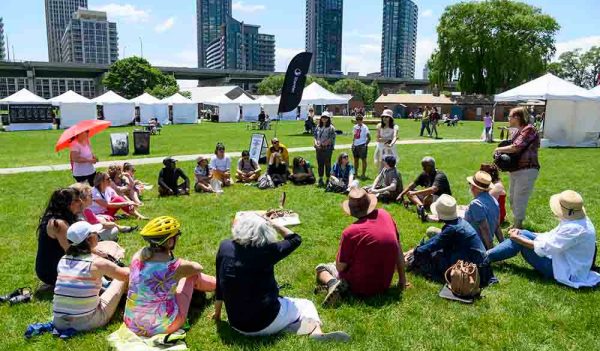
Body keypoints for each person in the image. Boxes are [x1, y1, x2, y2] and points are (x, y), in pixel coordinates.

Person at [214, 212, 349, 341]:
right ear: (265, 233)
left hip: (237, 324)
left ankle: (287, 327)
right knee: (306, 305)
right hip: (265, 321)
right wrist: (273, 224)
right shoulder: (268, 251)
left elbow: (219, 285)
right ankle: (316, 332)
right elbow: (295, 238)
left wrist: (218, 315)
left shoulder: (225, 246)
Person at [487, 190, 600, 288]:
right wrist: (526, 233)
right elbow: (552, 236)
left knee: (520, 240)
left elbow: (544, 248)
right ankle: (486, 256)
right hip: (565, 262)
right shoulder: (581, 221)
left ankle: (483, 258)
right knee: (523, 233)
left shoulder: (574, 228)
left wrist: (517, 238)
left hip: (565, 272)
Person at [124, 216, 217, 336]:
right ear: (169, 241)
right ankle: (220, 285)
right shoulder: (174, 266)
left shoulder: (137, 257)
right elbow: (198, 267)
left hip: (132, 324)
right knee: (193, 276)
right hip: (161, 327)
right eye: (177, 236)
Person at [315, 188, 407, 305]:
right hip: (384, 284)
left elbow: (340, 267)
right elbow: (398, 248)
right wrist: (402, 281)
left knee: (321, 268)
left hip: (357, 288)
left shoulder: (351, 232)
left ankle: (333, 284)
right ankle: (335, 287)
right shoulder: (385, 215)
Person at [52, 221, 129, 332]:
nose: (98, 235)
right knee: (120, 281)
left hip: (59, 322)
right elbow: (125, 276)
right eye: (95, 233)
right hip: (86, 323)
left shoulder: (63, 260)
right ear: (89, 239)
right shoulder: (97, 263)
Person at [404, 195, 494, 285]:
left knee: (428, 257)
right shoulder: (459, 222)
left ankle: (408, 264)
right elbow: (436, 240)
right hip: (483, 268)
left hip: (473, 271)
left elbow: (431, 246)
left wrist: (415, 253)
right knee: (434, 252)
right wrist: (415, 249)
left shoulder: (451, 229)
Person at [494, 107, 540, 229]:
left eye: (510, 116)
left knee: (520, 198)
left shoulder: (529, 129)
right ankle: (516, 223)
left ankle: (518, 226)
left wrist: (498, 149)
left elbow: (516, 147)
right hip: (516, 170)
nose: (508, 118)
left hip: (527, 169)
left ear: (517, 117)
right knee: (513, 198)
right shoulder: (517, 131)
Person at [35, 188, 83, 286]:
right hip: (51, 272)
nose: (81, 202)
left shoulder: (61, 218)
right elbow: (71, 251)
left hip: (58, 265)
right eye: (77, 200)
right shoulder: (59, 224)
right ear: (67, 204)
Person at [71, 182, 137, 242]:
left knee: (103, 220)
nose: (92, 197)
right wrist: (115, 225)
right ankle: (104, 239)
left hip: (78, 238)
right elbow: (102, 225)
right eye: (90, 195)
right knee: (114, 229)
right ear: (84, 198)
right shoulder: (86, 211)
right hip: (88, 239)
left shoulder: (74, 210)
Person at [397, 156, 452, 222]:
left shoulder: (440, 176)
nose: (423, 168)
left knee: (427, 197)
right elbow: (412, 185)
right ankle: (421, 207)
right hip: (430, 197)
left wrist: (415, 193)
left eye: (424, 166)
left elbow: (433, 189)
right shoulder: (424, 174)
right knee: (409, 193)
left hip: (442, 199)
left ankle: (422, 208)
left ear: (431, 166)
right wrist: (401, 194)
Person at [464, 171, 503, 250]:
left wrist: (490, 253)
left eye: (470, 184)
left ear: (474, 187)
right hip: (480, 244)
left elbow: (485, 229)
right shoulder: (494, 200)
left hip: (473, 246)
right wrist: (503, 245)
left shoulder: (476, 204)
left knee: (433, 232)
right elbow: (497, 226)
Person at [313, 112, 336, 187]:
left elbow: (332, 137)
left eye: (326, 117)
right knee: (320, 164)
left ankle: (328, 179)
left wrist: (325, 143)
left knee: (327, 164)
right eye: (323, 117)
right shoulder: (318, 126)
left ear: (328, 118)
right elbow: (315, 136)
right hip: (319, 148)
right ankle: (320, 178)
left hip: (327, 148)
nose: (324, 118)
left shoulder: (331, 127)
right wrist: (316, 143)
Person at [352, 114, 371, 179]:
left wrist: (365, 145)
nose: (359, 121)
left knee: (363, 160)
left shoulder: (365, 127)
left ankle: (363, 174)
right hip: (355, 145)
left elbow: (369, 138)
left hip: (362, 145)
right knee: (355, 160)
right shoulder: (355, 127)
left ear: (362, 120)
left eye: (360, 120)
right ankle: (356, 173)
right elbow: (354, 136)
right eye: (357, 120)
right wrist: (353, 144)